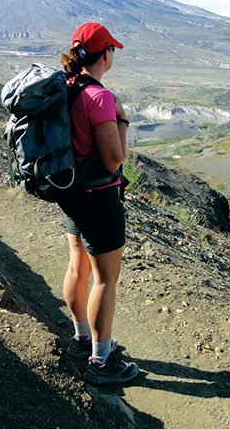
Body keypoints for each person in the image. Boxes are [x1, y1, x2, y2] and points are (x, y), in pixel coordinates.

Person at [58, 22, 138, 385]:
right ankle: (101, 363)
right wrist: (121, 117)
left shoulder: (68, 87)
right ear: (105, 54)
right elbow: (114, 159)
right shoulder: (99, 97)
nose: (113, 55)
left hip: (72, 191)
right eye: (112, 50)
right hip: (98, 196)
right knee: (106, 279)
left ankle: (82, 339)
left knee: (78, 266)